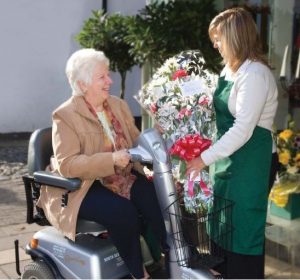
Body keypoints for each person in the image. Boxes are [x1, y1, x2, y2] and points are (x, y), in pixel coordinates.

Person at [37, 48, 167, 279]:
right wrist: (111, 159)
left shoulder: (117, 106)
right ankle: (139, 273)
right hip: (82, 185)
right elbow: (67, 165)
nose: (110, 80)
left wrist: (154, 134)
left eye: (108, 75)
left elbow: (135, 141)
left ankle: (179, 261)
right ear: (82, 84)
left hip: (121, 177)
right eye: (102, 77)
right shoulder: (65, 115)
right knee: (123, 211)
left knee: (158, 196)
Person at [186, 7, 278, 279]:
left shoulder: (256, 74)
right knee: (223, 228)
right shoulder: (229, 70)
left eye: (219, 38)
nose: (215, 44)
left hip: (251, 165)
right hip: (228, 162)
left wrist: (202, 159)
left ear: (236, 37)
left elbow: (242, 130)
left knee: (243, 233)